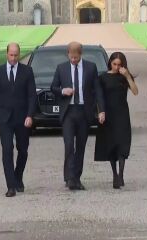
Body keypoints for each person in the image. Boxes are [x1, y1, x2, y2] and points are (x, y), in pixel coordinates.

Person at [51, 41, 105, 190]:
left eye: (76, 57)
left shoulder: (90, 67)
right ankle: (69, 178)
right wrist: (63, 91)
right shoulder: (61, 68)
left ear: (81, 54)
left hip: (84, 111)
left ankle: (76, 178)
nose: (73, 60)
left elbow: (97, 90)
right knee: (69, 145)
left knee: (80, 146)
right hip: (68, 111)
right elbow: (53, 87)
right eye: (71, 57)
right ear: (68, 54)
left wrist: (101, 110)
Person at [0, 42, 37, 197]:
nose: (14, 58)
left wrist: (30, 115)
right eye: (11, 55)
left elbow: (32, 96)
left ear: (19, 54)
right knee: (7, 149)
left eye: (16, 55)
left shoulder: (27, 71)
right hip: (5, 118)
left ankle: (18, 176)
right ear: (6, 54)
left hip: (23, 118)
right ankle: (10, 185)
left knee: (23, 150)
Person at [94, 52, 138, 189]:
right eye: (114, 64)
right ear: (110, 63)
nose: (117, 67)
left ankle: (121, 174)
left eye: (119, 65)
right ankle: (114, 174)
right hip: (109, 114)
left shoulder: (124, 77)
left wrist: (127, 76)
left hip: (122, 113)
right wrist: (100, 112)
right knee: (111, 144)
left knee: (122, 143)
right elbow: (98, 97)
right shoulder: (102, 78)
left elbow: (135, 91)